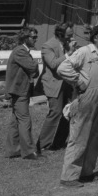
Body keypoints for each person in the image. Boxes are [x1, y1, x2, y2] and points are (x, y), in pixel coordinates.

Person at [56, 22, 98, 188]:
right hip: (86, 99)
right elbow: (63, 68)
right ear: (95, 37)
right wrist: (79, 82)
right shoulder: (84, 52)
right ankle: (69, 177)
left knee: (95, 137)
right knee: (80, 136)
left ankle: (87, 172)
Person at [4, 26, 41, 160]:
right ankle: (29, 152)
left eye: (36, 37)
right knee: (25, 120)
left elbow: (34, 71)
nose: (36, 39)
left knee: (16, 121)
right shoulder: (20, 51)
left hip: (20, 90)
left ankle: (13, 150)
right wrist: (34, 65)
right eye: (33, 37)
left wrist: (33, 66)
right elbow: (33, 67)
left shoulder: (24, 52)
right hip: (19, 91)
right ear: (25, 38)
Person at [36, 23, 73, 153]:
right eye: (68, 35)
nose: (70, 38)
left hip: (67, 83)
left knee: (68, 113)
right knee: (56, 112)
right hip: (53, 83)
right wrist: (68, 54)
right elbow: (53, 64)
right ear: (60, 34)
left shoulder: (67, 44)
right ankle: (43, 144)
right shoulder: (48, 46)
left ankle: (58, 142)